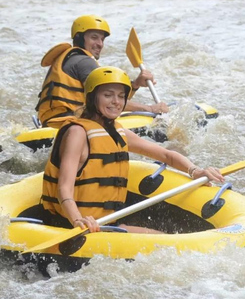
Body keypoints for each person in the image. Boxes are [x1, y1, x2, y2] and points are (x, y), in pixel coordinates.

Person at [41, 66, 225, 233]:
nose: (116, 102)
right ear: (92, 97)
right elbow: (64, 188)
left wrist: (195, 170)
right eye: (108, 95)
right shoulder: (77, 133)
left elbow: (165, 155)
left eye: (121, 96)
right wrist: (77, 220)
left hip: (105, 223)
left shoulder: (117, 131)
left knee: (162, 238)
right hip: (71, 226)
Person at [36, 15, 169, 129]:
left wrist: (135, 85)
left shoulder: (68, 57)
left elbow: (107, 97)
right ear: (79, 38)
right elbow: (111, 101)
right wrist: (150, 109)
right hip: (68, 124)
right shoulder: (84, 62)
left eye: (102, 39)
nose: (100, 44)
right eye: (94, 37)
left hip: (52, 122)